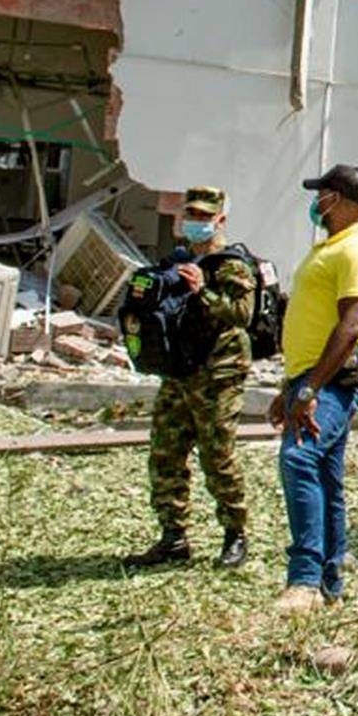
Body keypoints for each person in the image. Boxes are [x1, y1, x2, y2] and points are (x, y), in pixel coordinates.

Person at [267, 164, 358, 615]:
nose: (316, 203)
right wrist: (292, 385)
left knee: (299, 457)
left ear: (338, 198)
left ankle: (304, 580)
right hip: (315, 374)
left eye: (322, 195)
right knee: (324, 472)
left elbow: (351, 324)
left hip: (341, 374)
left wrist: (309, 389)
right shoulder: (333, 246)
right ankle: (330, 581)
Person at [123, 186, 256, 569]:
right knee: (165, 452)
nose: (195, 222)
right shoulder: (179, 259)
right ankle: (173, 537)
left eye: (203, 216)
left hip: (218, 373)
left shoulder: (231, 264)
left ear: (220, 220)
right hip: (180, 370)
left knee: (217, 456)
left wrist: (203, 292)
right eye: (191, 215)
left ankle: (235, 534)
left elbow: (240, 315)